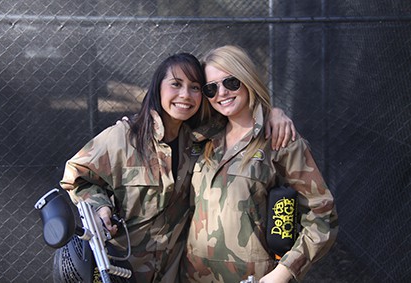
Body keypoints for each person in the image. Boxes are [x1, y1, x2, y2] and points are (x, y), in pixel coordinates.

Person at [59, 52, 296, 283]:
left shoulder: (200, 138)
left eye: (195, 87)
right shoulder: (123, 138)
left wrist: (273, 113)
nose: (185, 95)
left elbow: (241, 113)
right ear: (158, 88)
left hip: (173, 272)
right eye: (176, 84)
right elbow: (76, 176)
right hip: (124, 270)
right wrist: (101, 207)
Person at [181, 45, 338, 283]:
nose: (221, 93)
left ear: (246, 79)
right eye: (211, 88)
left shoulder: (279, 141)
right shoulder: (199, 138)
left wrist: (283, 272)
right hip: (194, 277)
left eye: (230, 82)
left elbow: (322, 215)